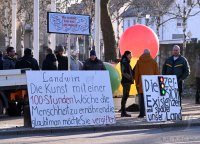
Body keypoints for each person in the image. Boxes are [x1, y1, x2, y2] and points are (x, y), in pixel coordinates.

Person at [135, 49, 159, 118]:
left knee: (142, 99)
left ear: (143, 53)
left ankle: (142, 113)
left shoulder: (139, 62)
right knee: (150, 98)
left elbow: (137, 74)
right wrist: (156, 84)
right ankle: (151, 113)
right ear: (149, 54)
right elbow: (156, 74)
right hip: (151, 84)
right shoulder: (153, 62)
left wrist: (137, 83)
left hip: (141, 83)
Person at [120, 50, 134, 117]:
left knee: (126, 95)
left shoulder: (126, 62)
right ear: (127, 55)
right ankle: (123, 111)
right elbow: (124, 72)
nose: (131, 56)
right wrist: (130, 77)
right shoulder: (124, 62)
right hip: (126, 81)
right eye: (130, 55)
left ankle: (123, 111)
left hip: (127, 81)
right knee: (125, 95)